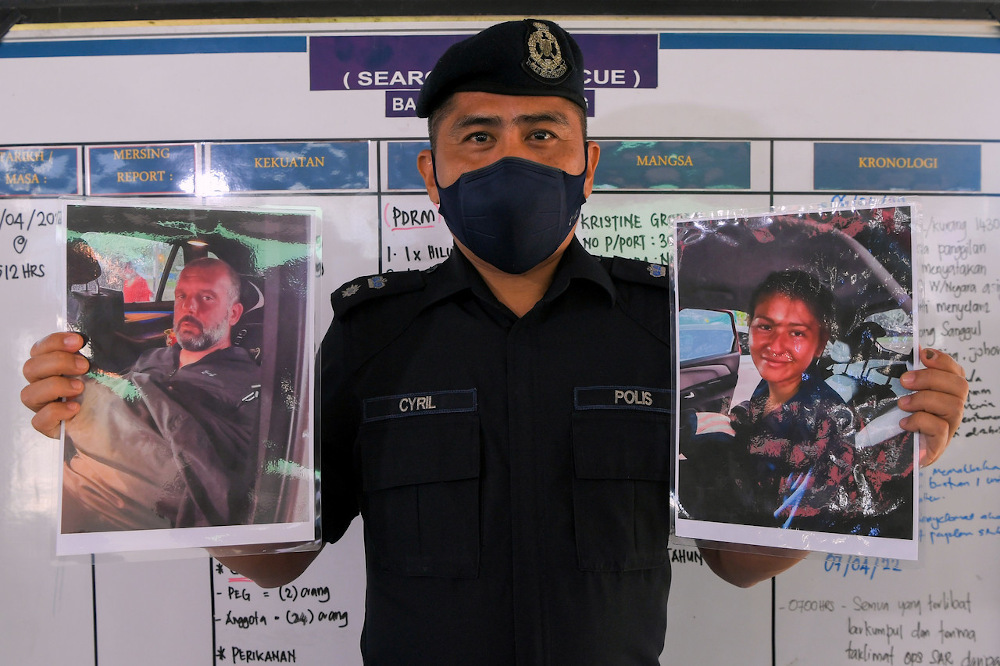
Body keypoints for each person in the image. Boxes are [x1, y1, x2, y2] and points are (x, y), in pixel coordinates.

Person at [22, 19, 968, 665]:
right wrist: (99, 429)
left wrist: (887, 460)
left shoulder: (665, 334)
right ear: (432, 174)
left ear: (587, 164)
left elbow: (738, 557)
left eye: (543, 134)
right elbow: (282, 559)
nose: (512, 157)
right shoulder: (365, 339)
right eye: (477, 137)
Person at [682, 269, 904, 534]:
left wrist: (724, 450)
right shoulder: (773, 385)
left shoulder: (825, 422)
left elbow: (784, 520)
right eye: (765, 327)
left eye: (797, 333)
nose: (775, 345)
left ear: (820, 344)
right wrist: (720, 424)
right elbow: (753, 413)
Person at [57, 257, 261, 532]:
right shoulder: (156, 357)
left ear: (234, 314)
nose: (190, 306)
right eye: (182, 296)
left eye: (207, 297)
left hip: (125, 511)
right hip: (69, 475)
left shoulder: (244, 382)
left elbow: (218, 476)